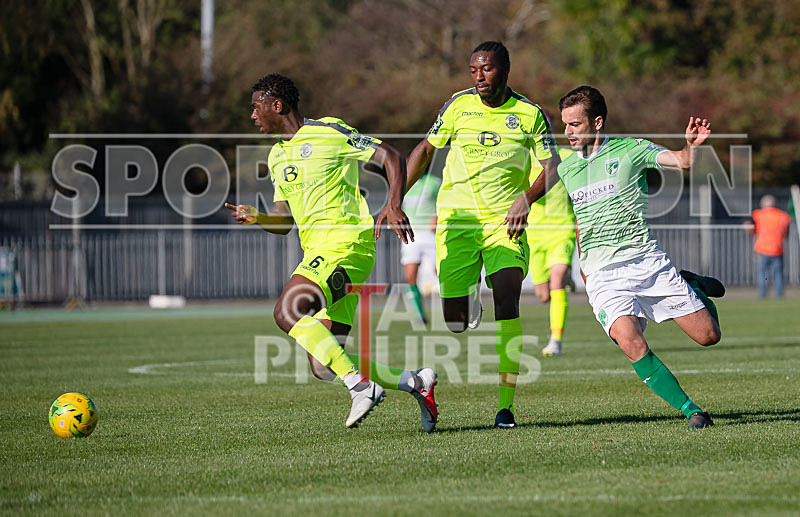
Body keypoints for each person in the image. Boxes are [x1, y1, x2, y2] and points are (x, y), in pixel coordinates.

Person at [227, 73, 438, 431]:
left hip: (346, 244)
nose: (252, 115)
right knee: (323, 364)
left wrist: (393, 203)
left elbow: (390, 156)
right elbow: (283, 222)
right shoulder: (278, 156)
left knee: (286, 311)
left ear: (277, 106)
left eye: (256, 106)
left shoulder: (329, 132)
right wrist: (258, 216)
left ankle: (361, 387)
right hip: (320, 254)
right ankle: (415, 382)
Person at [526, 85, 725, 429]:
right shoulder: (568, 169)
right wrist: (585, 267)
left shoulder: (631, 149)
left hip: (645, 262)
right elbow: (579, 219)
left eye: (575, 124)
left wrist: (690, 147)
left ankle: (689, 283)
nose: (568, 132)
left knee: (708, 336)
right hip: (603, 275)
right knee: (629, 340)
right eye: (565, 125)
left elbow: (679, 162)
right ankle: (692, 410)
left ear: (598, 122)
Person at [406, 41, 561, 429]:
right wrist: (396, 197)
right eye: (474, 69)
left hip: (504, 223)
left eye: (487, 69)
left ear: (505, 69)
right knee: (455, 322)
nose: (479, 76)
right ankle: (469, 293)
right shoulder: (457, 106)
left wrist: (526, 197)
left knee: (507, 297)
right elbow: (426, 150)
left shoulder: (529, 114)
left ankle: (505, 407)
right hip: (459, 222)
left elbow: (551, 166)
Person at [526, 144, 577, 357]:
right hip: (534, 234)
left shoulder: (566, 156)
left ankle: (555, 340)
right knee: (544, 296)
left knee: (556, 279)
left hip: (561, 229)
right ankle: (567, 276)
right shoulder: (522, 156)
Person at [400, 172, 441, 324]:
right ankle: (419, 315)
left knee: (441, 271)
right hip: (411, 235)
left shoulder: (434, 182)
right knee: (410, 276)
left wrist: (437, 217)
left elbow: (443, 202)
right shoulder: (403, 183)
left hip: (431, 235)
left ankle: (456, 306)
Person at [746, 195, 791, 298]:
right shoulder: (782, 215)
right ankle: (779, 295)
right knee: (778, 274)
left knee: (762, 274)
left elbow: (749, 226)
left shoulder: (758, 214)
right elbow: (785, 232)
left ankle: (763, 295)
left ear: (763, 204)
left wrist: (752, 234)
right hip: (777, 248)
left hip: (762, 248)